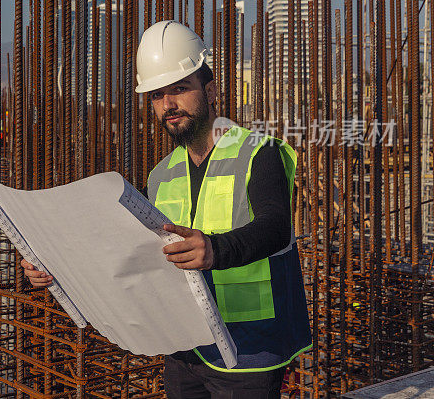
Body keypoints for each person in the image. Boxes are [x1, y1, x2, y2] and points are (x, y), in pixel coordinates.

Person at [21, 20, 312, 399]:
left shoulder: (259, 152)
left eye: (179, 89)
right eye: (157, 95)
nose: (168, 104)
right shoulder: (161, 175)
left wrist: (214, 249)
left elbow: (275, 227)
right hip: (186, 343)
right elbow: (119, 243)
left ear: (210, 90)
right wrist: (53, 265)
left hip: (251, 348)